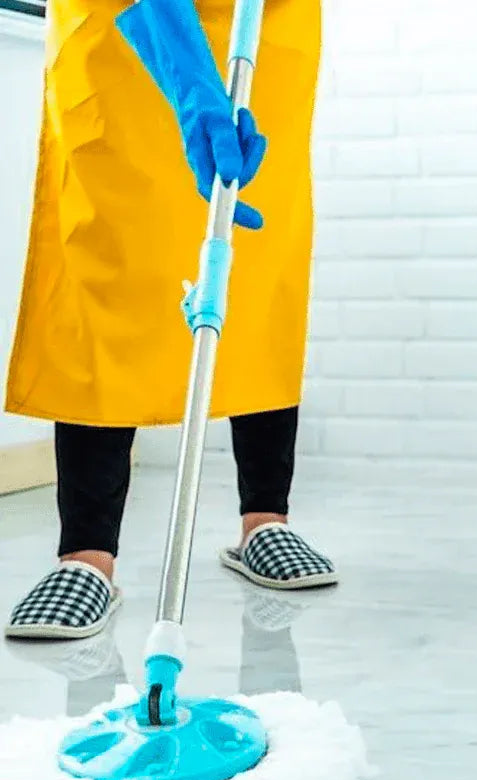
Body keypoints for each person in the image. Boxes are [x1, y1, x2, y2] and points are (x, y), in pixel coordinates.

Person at [3, 0, 330, 641]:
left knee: (255, 269)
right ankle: (86, 556)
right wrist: (194, 91)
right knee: (107, 267)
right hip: (116, 33)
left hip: (264, 29)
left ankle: (266, 519)